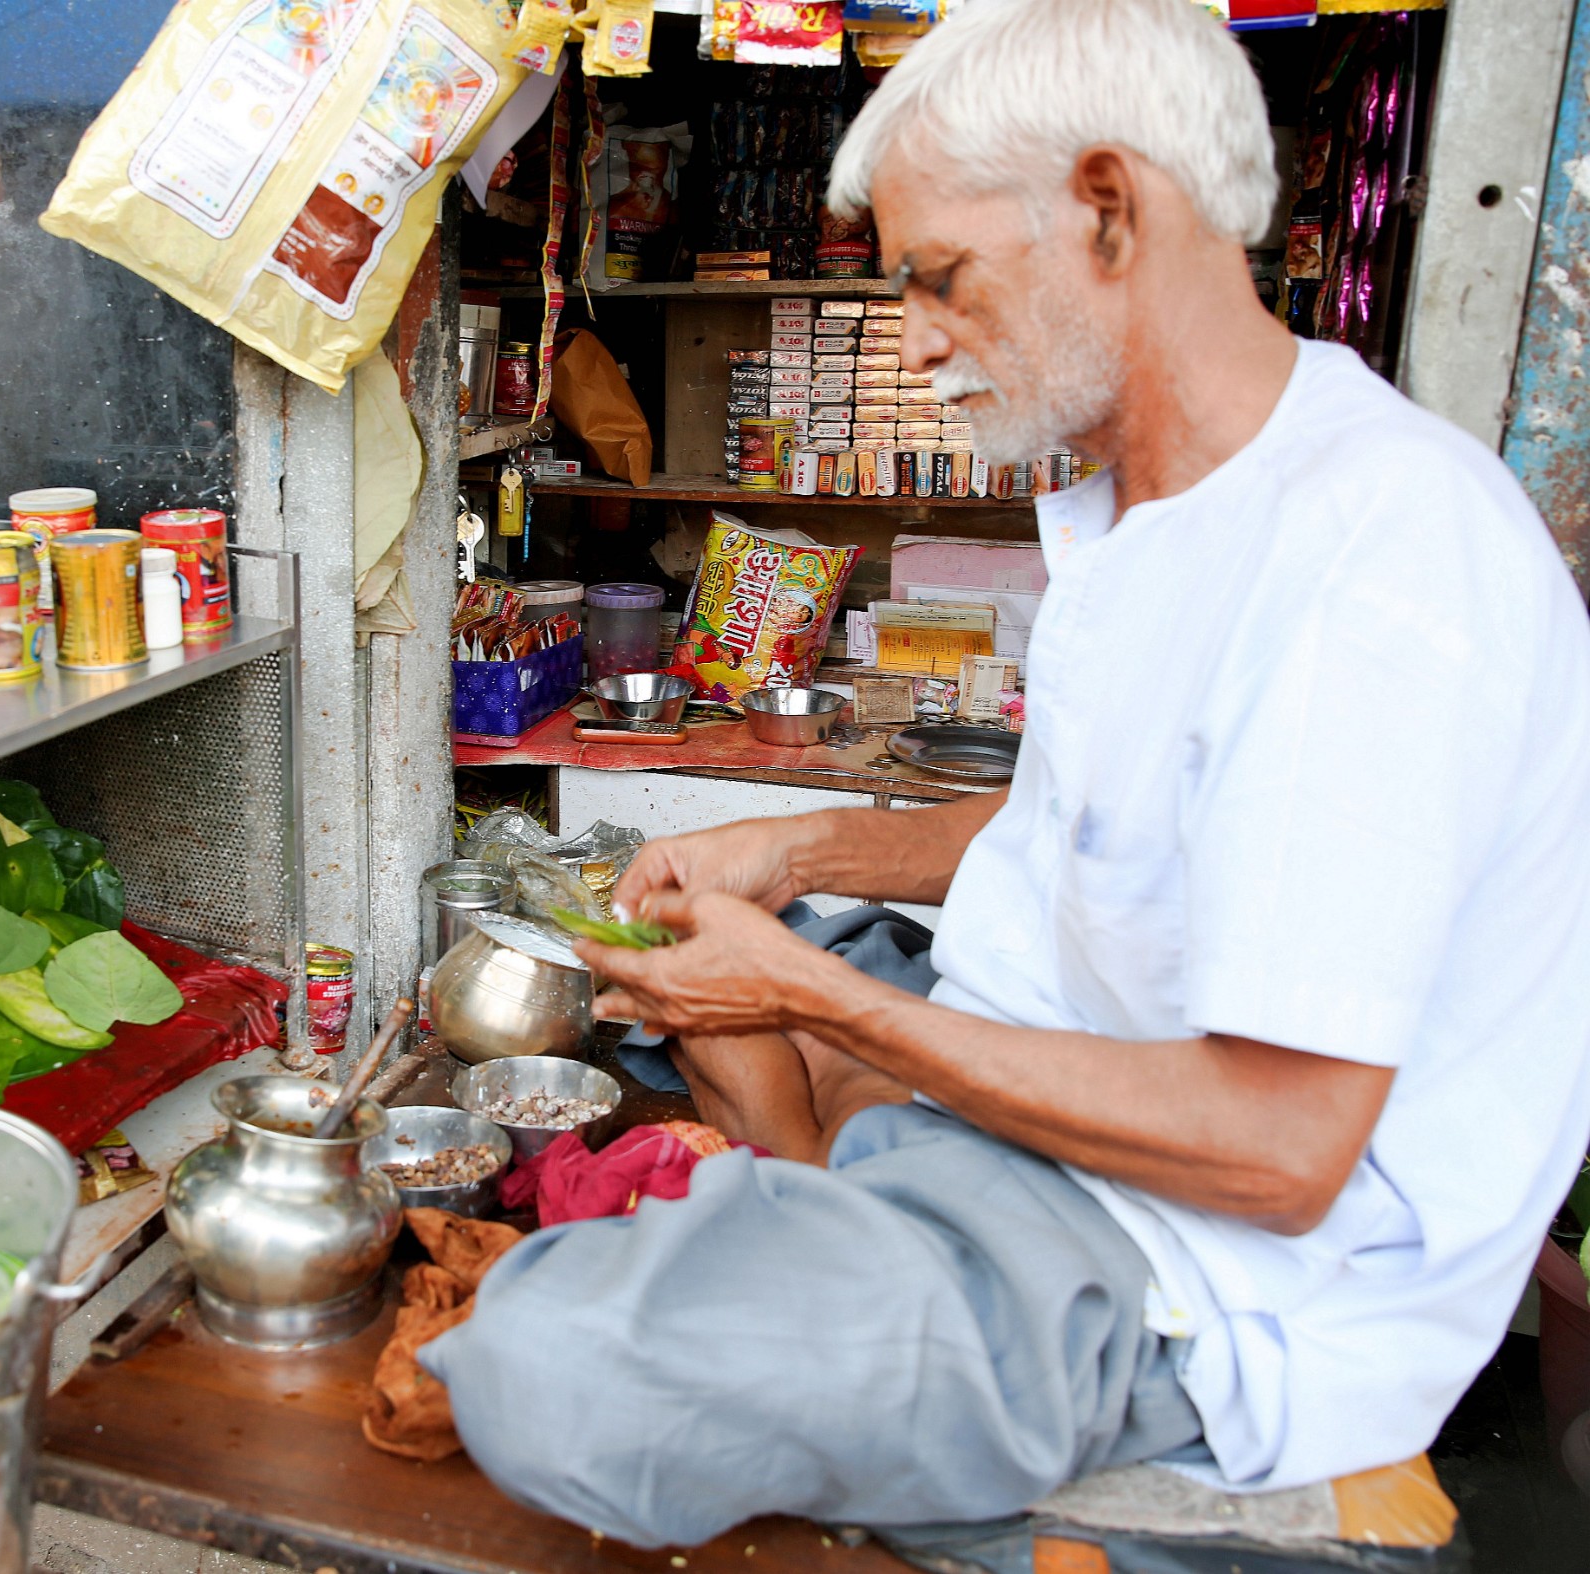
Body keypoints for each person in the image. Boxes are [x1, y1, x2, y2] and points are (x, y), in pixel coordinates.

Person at [420, 0, 1590, 1550]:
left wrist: (824, 1001)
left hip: (1196, 1274)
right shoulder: (1151, 510)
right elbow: (1070, 835)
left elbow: (1278, 1148)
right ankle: (851, 1206)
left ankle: (1050, 1406)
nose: (910, 338)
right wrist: (801, 854)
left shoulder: (1379, 559)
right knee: (687, 975)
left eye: (941, 278)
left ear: (1111, 210)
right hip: (1043, 1093)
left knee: (542, 1358)